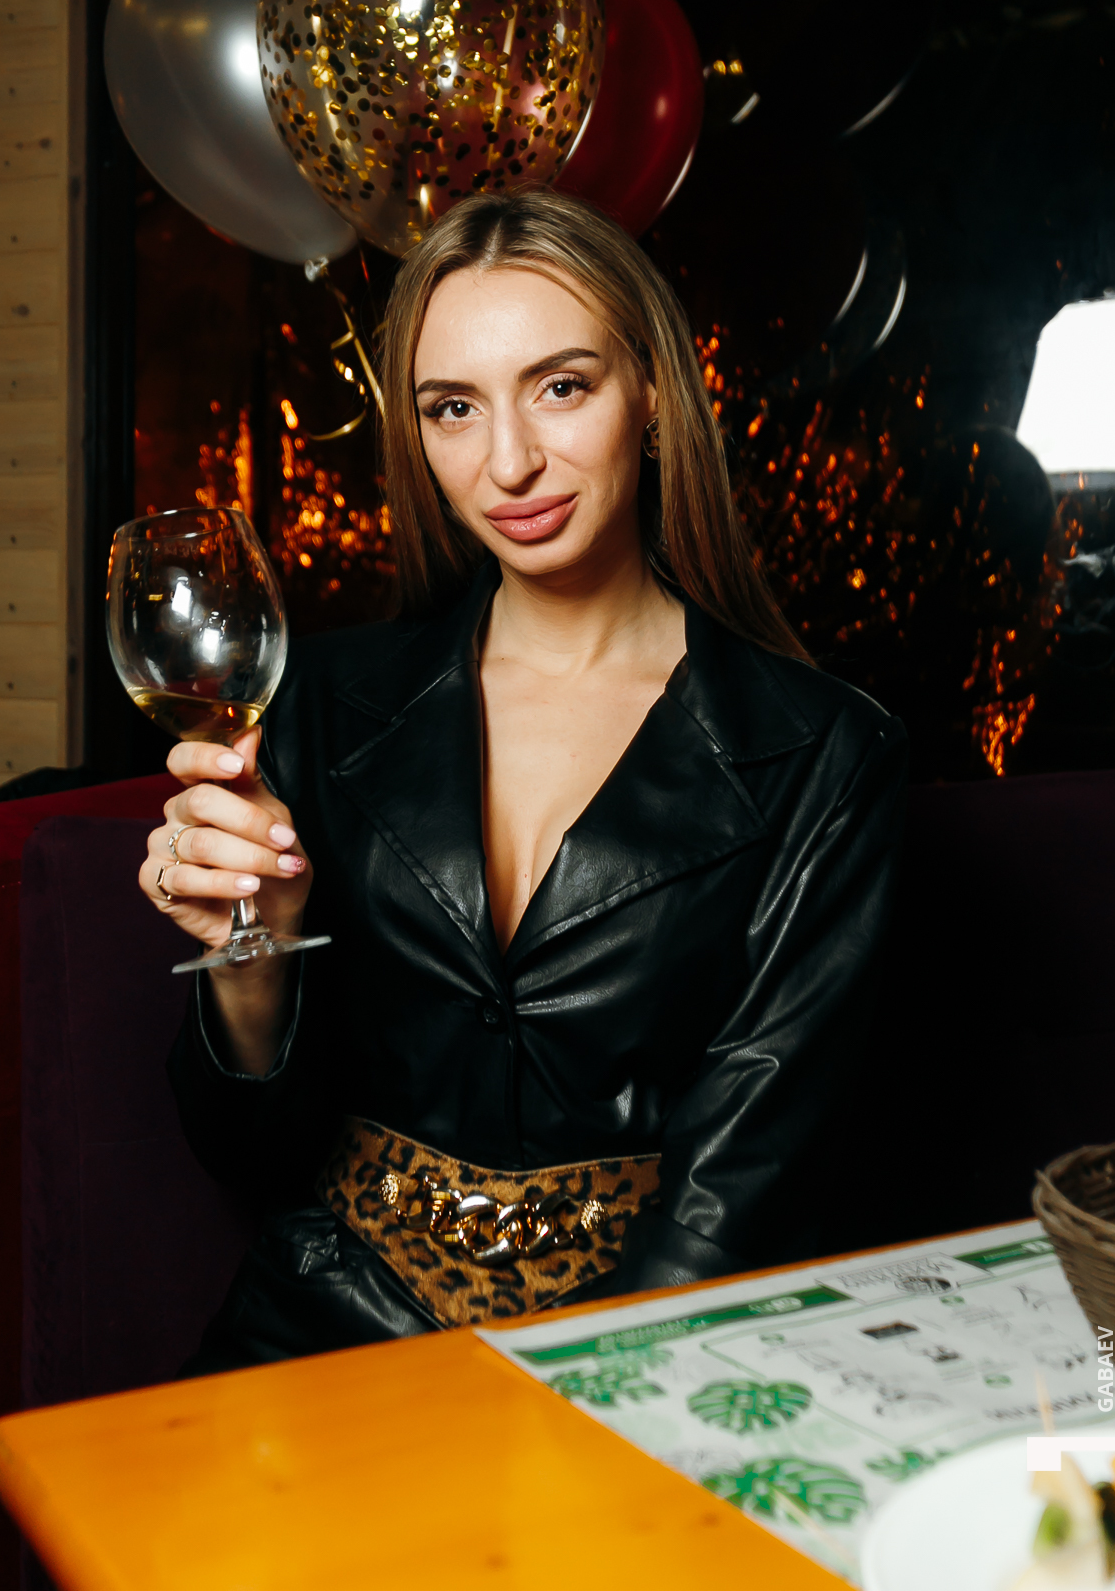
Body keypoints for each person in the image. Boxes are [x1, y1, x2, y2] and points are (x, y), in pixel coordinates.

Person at [142, 188, 908, 1371]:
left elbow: (742, 1197)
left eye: (560, 386)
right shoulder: (315, 703)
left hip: (639, 1360)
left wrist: (584, 1407)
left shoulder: (824, 755)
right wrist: (253, 947)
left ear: (650, 393)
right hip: (316, 1346)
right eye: (453, 407)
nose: (508, 463)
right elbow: (247, 1156)